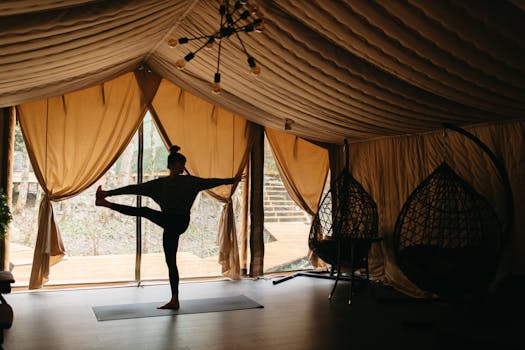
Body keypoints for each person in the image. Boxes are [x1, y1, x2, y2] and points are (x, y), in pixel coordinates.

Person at [95, 145, 237, 309]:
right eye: (182, 164)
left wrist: (230, 180)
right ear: (173, 165)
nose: (184, 168)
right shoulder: (161, 184)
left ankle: (105, 202)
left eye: (184, 165)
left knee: (144, 211)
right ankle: (174, 299)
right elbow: (134, 188)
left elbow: (210, 182)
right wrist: (109, 192)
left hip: (177, 222)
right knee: (171, 261)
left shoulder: (187, 182)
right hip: (172, 224)